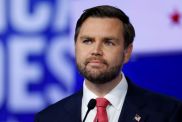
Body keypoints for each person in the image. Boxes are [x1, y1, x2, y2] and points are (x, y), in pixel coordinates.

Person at [35, 5, 182, 122]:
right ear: (75, 47)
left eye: (108, 42)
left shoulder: (168, 113)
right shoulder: (49, 118)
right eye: (87, 41)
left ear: (127, 52)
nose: (96, 51)